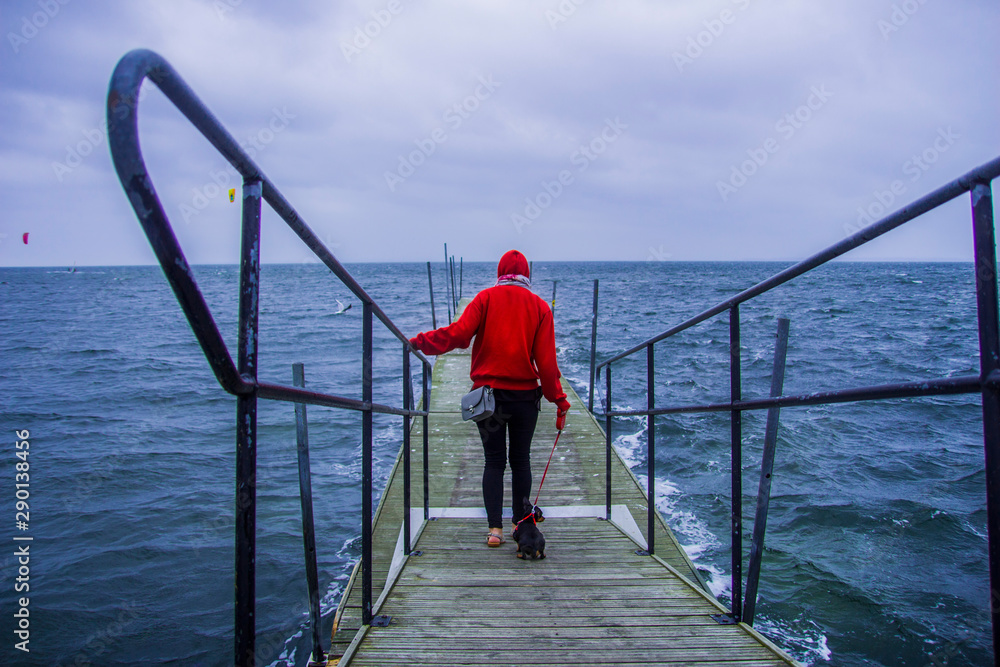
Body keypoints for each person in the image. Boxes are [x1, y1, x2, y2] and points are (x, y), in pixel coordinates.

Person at [409, 250, 571, 548]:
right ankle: (520, 523)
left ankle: (494, 530)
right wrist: (559, 400)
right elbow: (547, 366)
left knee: (493, 462)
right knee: (521, 461)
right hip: (525, 400)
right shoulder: (540, 307)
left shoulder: (484, 299)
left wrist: (419, 342)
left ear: (500, 273)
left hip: (489, 399)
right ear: (526, 275)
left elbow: (457, 335)